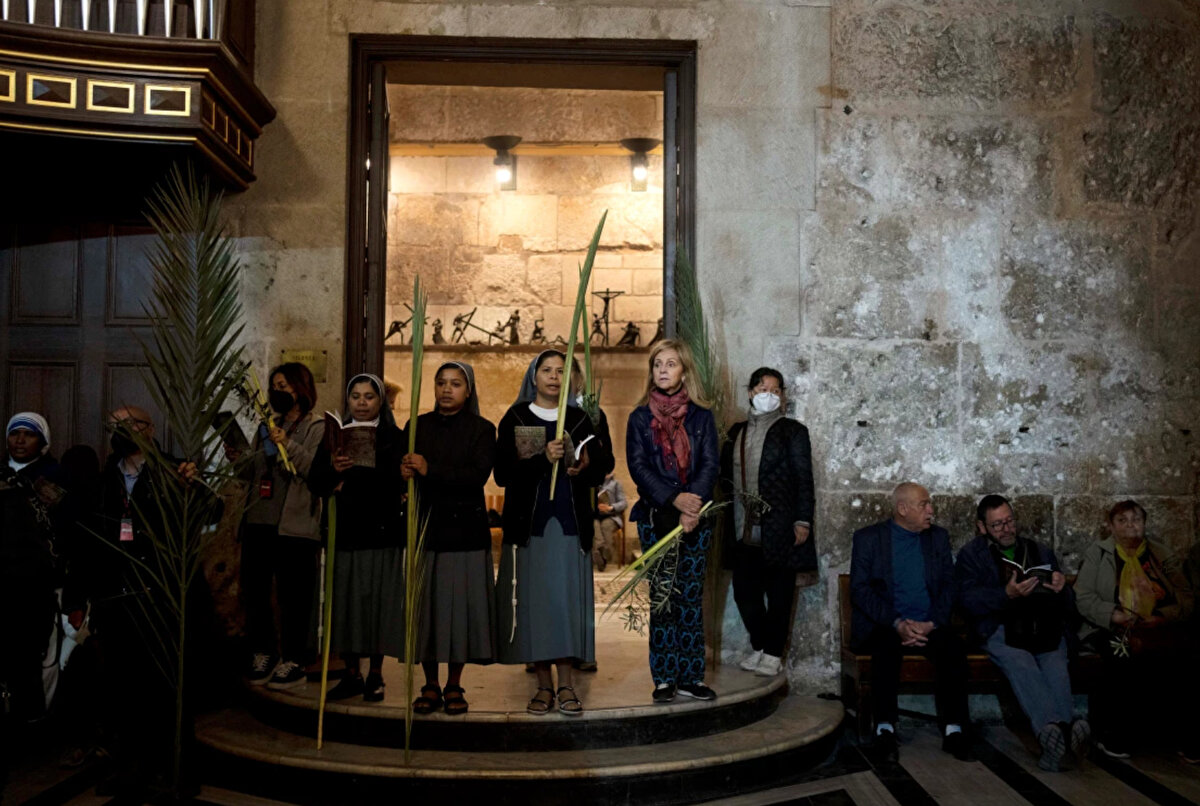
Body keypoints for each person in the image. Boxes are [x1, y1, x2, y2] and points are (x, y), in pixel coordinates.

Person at [494, 350, 601, 716]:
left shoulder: (579, 418)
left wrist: (583, 467)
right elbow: (504, 475)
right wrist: (544, 458)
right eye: (547, 370)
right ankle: (543, 686)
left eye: (562, 371)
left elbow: (599, 467)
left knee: (565, 604)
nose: (554, 377)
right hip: (530, 528)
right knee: (536, 607)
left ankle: (568, 684)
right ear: (534, 376)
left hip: (569, 526)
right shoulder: (516, 417)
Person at [954, 495, 1086, 771]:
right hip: (1000, 628)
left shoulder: (1040, 551)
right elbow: (966, 601)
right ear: (982, 527)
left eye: (1010, 521)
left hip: (1042, 626)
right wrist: (1005, 594)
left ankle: (1057, 742)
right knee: (1021, 663)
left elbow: (1070, 605)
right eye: (997, 524)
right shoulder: (971, 556)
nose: (1007, 529)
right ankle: (1059, 732)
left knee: (1055, 663)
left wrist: (1062, 588)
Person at [626, 339, 720, 704]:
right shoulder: (638, 417)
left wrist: (691, 506)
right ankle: (665, 676)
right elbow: (638, 466)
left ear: (684, 371)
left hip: (695, 519)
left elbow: (710, 463)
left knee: (690, 599)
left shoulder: (701, 416)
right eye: (657, 364)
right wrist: (674, 499)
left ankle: (692, 677)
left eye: (671, 364)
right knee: (663, 600)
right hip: (656, 518)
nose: (663, 370)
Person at [402, 362, 497, 716]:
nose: (446, 389)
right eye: (441, 383)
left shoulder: (482, 430)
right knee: (427, 610)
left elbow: (476, 476)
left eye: (455, 384)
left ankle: (455, 683)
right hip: (426, 529)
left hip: (464, 533)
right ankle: (429, 683)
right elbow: (409, 475)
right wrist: (406, 471)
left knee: (457, 613)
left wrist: (430, 469)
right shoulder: (417, 426)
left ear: (468, 390)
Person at [849, 482, 970, 762]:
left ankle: (954, 730)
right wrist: (897, 623)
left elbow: (950, 586)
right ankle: (884, 729)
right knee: (885, 650)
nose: (931, 510)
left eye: (929, 504)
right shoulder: (869, 539)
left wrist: (932, 623)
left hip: (929, 624)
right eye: (924, 504)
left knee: (953, 649)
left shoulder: (937, 538)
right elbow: (860, 590)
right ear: (902, 509)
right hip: (886, 625)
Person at [308, 374, 407, 702]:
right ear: (347, 401)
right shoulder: (333, 437)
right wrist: (335, 469)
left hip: (381, 531)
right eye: (355, 397)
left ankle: (376, 675)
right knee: (346, 605)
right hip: (345, 531)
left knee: (377, 605)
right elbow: (314, 482)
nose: (362, 403)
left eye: (369, 397)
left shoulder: (395, 437)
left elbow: (400, 484)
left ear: (381, 402)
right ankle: (352, 673)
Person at [1075, 500, 1197, 761]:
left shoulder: (1160, 555)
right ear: (1111, 526)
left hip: (1157, 626)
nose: (1131, 525)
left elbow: (1186, 596)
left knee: (1185, 658)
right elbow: (1083, 597)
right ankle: (1117, 734)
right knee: (1122, 658)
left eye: (1136, 519)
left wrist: (1163, 615)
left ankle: (1183, 736)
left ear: (1144, 523)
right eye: (1123, 520)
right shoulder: (1099, 554)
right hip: (1111, 626)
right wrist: (1113, 614)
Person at [234, 362, 325, 690]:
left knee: (294, 595)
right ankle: (264, 652)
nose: (277, 392)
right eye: (274, 386)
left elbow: (314, 470)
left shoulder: (317, 426)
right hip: (259, 520)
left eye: (284, 385)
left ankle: (295, 658)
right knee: (257, 592)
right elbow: (256, 473)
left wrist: (287, 442)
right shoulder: (266, 425)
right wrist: (239, 459)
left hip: (295, 524)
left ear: (301, 389)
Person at [721, 367, 815, 678]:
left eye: (775, 391)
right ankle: (760, 644)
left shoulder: (793, 431)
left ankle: (774, 653)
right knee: (744, 592)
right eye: (762, 389)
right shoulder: (735, 432)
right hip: (741, 525)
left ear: (783, 397)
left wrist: (802, 519)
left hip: (781, 525)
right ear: (750, 393)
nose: (768, 395)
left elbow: (804, 479)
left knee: (779, 592)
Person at [0, 413, 61, 726]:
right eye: (15, 434)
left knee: (27, 659)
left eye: (29, 434)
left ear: (43, 441)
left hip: (33, 585)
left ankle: (30, 728)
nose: (20, 441)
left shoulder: (54, 476)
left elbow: (65, 522)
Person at [593, 472, 627, 572]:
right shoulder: (594, 483)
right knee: (594, 525)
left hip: (611, 516)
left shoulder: (616, 484)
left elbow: (623, 503)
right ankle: (600, 554)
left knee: (605, 526)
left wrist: (611, 507)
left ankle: (603, 554)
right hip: (596, 516)